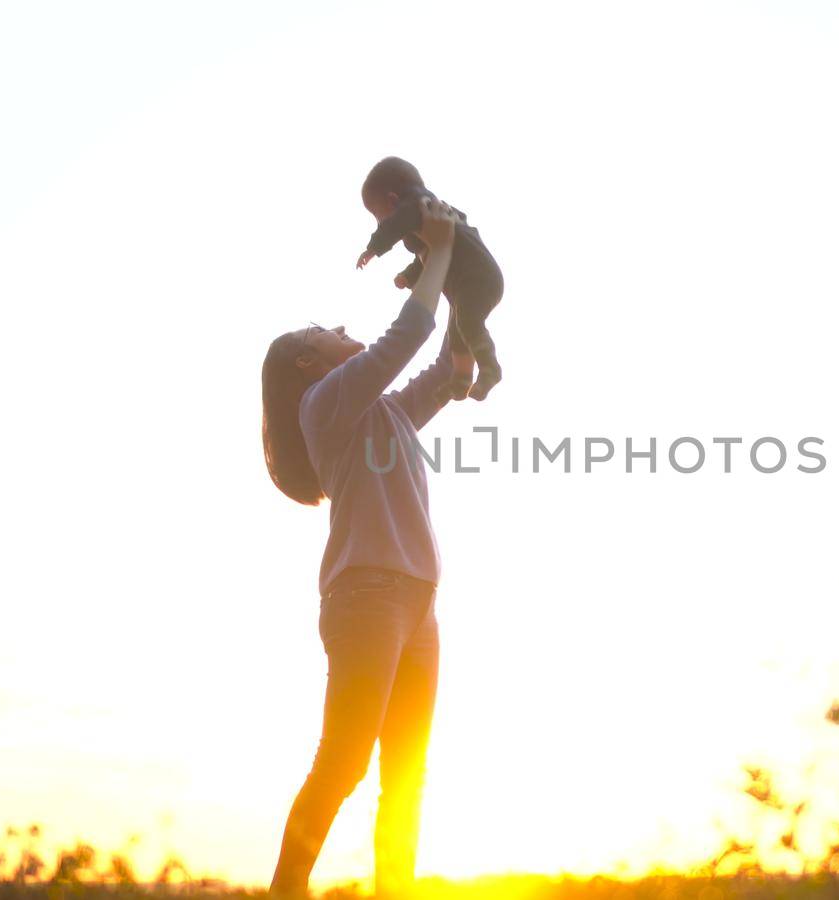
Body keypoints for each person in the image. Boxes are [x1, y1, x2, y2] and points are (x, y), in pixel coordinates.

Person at [261, 196, 461, 899]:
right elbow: (407, 335)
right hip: (367, 599)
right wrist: (435, 252)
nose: (344, 329)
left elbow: (444, 373)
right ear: (309, 362)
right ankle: (287, 890)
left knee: (405, 778)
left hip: (419, 607)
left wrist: (458, 284)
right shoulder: (326, 404)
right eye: (328, 329)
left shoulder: (384, 414)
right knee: (345, 764)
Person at [355, 156, 505, 401]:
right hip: (469, 283)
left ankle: (490, 367)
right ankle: (461, 381)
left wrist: (375, 246)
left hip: (479, 279)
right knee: (458, 331)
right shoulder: (432, 221)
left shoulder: (418, 205)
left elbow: (398, 225)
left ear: (393, 202)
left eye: (377, 216)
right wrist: (408, 276)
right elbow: (428, 255)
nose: (380, 222)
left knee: (467, 322)